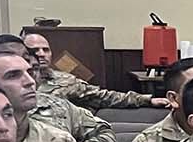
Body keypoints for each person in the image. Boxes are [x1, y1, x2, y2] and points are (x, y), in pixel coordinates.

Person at [22, 30, 163, 110]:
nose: (41, 54)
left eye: (46, 50)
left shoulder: (66, 81)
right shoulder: (13, 84)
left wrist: (147, 100)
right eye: (34, 50)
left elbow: (104, 97)